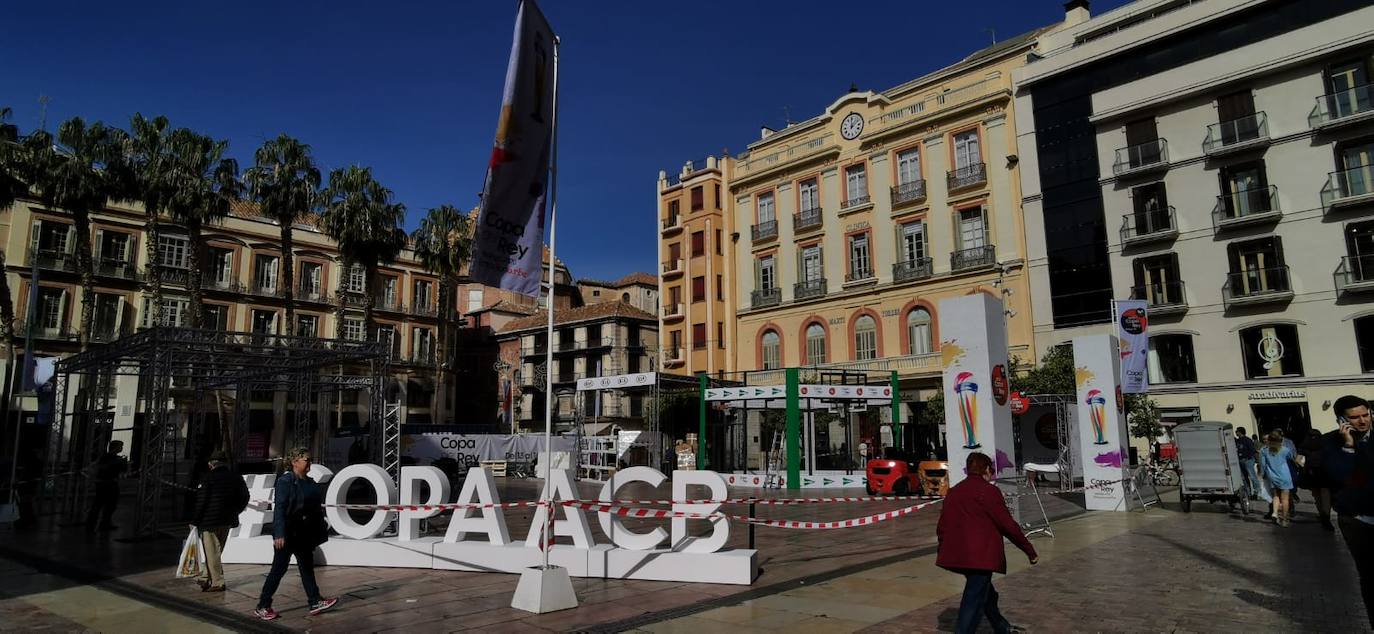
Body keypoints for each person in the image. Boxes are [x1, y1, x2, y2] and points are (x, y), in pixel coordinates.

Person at [936, 452, 1038, 634]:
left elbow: (942, 525)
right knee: (973, 599)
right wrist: (1029, 550)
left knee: (987, 594)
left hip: (961, 556)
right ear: (985, 470)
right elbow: (1007, 524)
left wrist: (943, 548)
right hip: (981, 557)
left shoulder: (954, 491)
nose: (992, 473)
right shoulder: (989, 491)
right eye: (990, 469)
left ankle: (1002, 627)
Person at [254, 448, 337, 621]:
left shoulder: (310, 482)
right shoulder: (286, 481)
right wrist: (279, 533)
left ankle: (314, 601)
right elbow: (280, 509)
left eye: (309, 459)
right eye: (305, 459)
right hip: (288, 532)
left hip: (304, 533)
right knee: (278, 569)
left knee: (307, 567)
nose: (309, 463)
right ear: (294, 462)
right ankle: (263, 605)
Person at [1326, 394, 1374, 627]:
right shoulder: (1331, 444)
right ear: (1341, 420)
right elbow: (1340, 477)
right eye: (1355, 418)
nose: (1363, 421)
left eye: (1366, 415)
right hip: (1357, 521)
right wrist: (1348, 446)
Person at [190, 450, 250, 592]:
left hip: (209, 521)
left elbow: (202, 501)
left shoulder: (208, 478)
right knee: (216, 551)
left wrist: (195, 520)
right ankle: (205, 577)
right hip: (227, 520)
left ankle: (217, 582)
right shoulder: (236, 477)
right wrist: (236, 510)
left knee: (212, 551)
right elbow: (245, 496)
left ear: (211, 464)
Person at [85, 440, 128, 533]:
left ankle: (94, 524)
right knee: (108, 505)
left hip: (102, 483)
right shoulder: (116, 459)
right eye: (120, 447)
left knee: (99, 505)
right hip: (110, 484)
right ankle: (102, 524)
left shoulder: (104, 457)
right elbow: (122, 471)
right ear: (116, 447)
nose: (121, 448)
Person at [1260, 430, 1299, 527]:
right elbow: (1293, 458)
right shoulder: (1285, 450)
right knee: (1285, 499)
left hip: (1273, 477)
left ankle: (1275, 513)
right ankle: (1285, 520)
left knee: (1276, 496)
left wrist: (1263, 474)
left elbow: (1263, 465)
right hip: (1285, 477)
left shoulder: (1264, 451)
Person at [1300, 428, 1335, 531]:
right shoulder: (1324, 443)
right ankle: (1326, 515)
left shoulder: (1305, 445)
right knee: (1325, 492)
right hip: (1324, 469)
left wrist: (1304, 467)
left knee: (1316, 494)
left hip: (1311, 471)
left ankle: (1321, 513)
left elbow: (1298, 459)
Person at [1235, 427, 1258, 500]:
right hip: (1240, 461)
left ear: (1240, 432)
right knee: (1244, 478)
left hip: (1248, 460)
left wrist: (1248, 458)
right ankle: (1248, 493)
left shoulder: (1247, 440)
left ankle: (1256, 493)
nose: (1236, 432)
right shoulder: (1237, 441)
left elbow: (1252, 450)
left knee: (1252, 477)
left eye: (1237, 431)